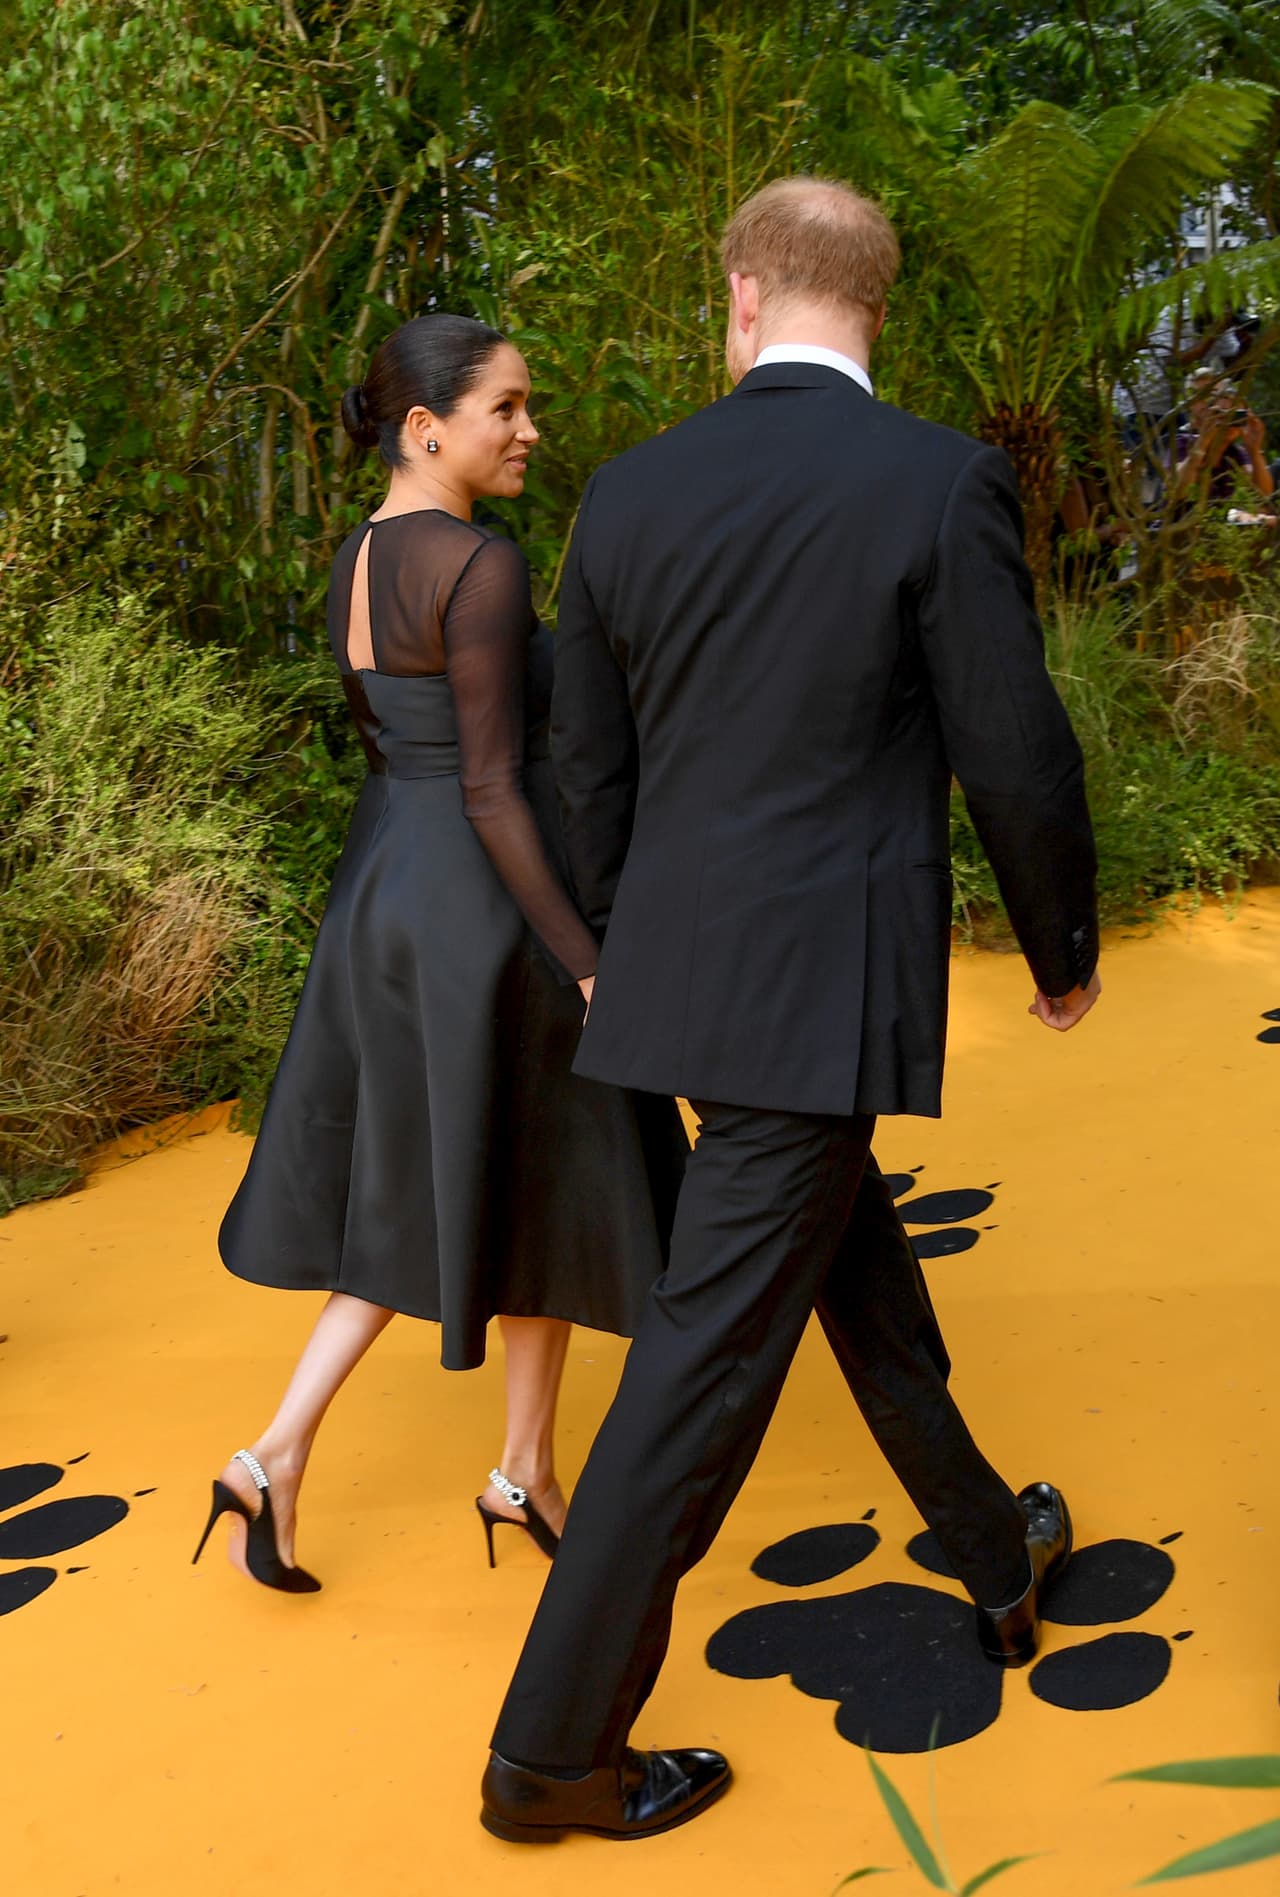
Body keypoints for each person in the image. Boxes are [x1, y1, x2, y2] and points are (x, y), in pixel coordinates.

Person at [479, 178, 1101, 1844]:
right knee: (699, 1373)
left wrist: (611, 958)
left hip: (682, 991)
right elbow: (1016, 751)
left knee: (850, 1270)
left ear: (742, 296)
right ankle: (550, 1751)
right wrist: (1062, 950)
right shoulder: (939, 481)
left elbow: (580, 774)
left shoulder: (629, 491)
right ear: (871, 306)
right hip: (818, 999)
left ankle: (991, 1546)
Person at [194, 314, 686, 1594]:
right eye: (506, 409)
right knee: (531, 1168)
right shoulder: (478, 565)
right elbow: (490, 786)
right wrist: (583, 955)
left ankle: (465, 1463)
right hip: (487, 905)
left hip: (384, 892)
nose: (529, 430)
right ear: (427, 427)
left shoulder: (354, 557)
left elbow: (418, 763)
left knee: (502, 1175)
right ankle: (351, 1454)